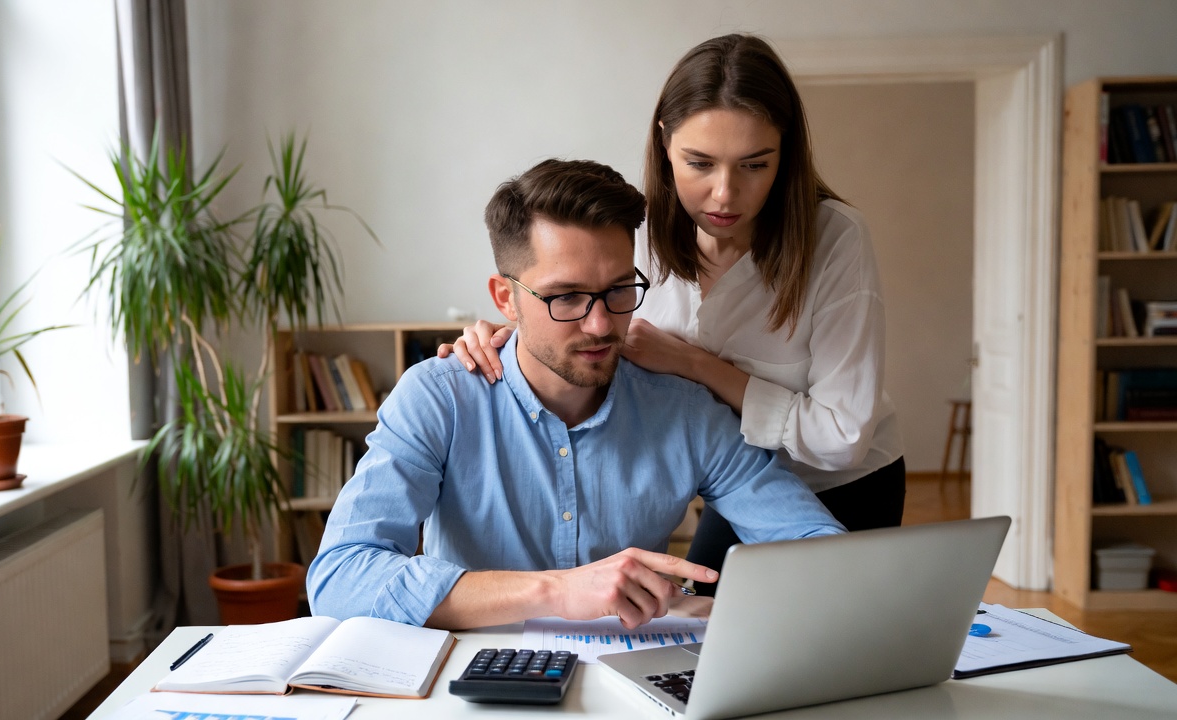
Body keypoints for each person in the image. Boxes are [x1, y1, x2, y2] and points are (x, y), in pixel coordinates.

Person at [438, 34, 906, 594]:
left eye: (755, 164)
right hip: (732, 476)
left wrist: (695, 364)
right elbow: (582, 310)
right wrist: (511, 330)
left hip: (840, 482)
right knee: (711, 612)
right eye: (700, 163)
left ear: (785, 154)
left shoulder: (835, 240)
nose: (725, 194)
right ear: (664, 142)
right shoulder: (637, 234)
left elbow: (841, 438)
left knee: (835, 614)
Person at [309, 158, 845, 630]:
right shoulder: (438, 398)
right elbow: (339, 577)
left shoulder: (682, 410)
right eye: (566, 296)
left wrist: (726, 609)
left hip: (629, 679)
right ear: (506, 299)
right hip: (470, 685)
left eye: (618, 289)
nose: (600, 324)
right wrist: (556, 592)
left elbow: (821, 551)